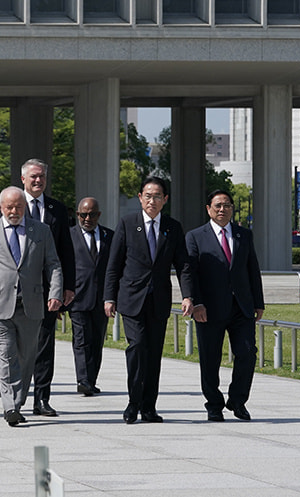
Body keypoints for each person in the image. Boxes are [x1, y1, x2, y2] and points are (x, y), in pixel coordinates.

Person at [0, 186, 63, 427]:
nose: (14, 211)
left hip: (31, 304)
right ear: (1, 207)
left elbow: (53, 264)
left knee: (27, 356)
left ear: (25, 208)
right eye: (9, 207)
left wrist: (55, 293)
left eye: (18, 207)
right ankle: (10, 406)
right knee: (6, 353)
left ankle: (18, 401)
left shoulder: (40, 231)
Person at [104, 176, 194, 424]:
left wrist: (187, 295)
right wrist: (109, 297)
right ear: (140, 197)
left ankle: (149, 407)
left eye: (157, 196)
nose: (151, 200)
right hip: (131, 298)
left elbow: (183, 265)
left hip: (159, 300)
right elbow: (113, 265)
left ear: (165, 199)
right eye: (147, 195)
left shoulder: (172, 227)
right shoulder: (127, 223)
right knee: (137, 348)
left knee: (153, 354)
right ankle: (133, 403)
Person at [186, 190, 265, 421]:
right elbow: (190, 274)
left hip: (241, 307)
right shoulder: (195, 236)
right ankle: (213, 404)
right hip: (208, 309)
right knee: (210, 359)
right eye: (218, 205)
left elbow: (253, 270)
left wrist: (258, 303)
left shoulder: (244, 235)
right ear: (208, 208)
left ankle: (238, 401)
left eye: (227, 205)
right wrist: (195, 302)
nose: (223, 209)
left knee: (247, 353)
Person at [17, 159, 74, 417]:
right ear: (23, 180)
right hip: (17, 290)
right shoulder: (10, 206)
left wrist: (67, 287)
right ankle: (14, 396)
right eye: (33, 177)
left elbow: (66, 251)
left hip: (48, 290)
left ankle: (41, 398)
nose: (38, 181)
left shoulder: (57, 210)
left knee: (44, 345)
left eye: (41, 177)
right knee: (17, 345)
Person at [68, 197, 113, 396]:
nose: (87, 218)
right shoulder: (69, 236)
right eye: (83, 214)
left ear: (99, 215)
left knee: (96, 341)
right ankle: (83, 380)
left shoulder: (109, 236)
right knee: (81, 340)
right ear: (77, 215)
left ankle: (91, 380)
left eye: (92, 214)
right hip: (78, 297)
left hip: (102, 299)